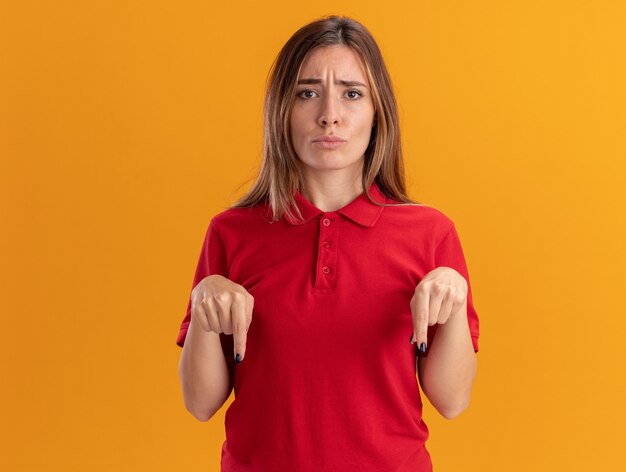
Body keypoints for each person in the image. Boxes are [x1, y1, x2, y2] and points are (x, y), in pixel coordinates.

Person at [176, 15, 480, 472]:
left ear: (379, 112)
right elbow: (201, 404)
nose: (329, 114)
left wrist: (454, 297)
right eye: (308, 92)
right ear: (283, 109)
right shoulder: (230, 233)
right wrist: (203, 303)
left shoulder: (431, 234)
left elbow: (452, 400)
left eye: (352, 93)